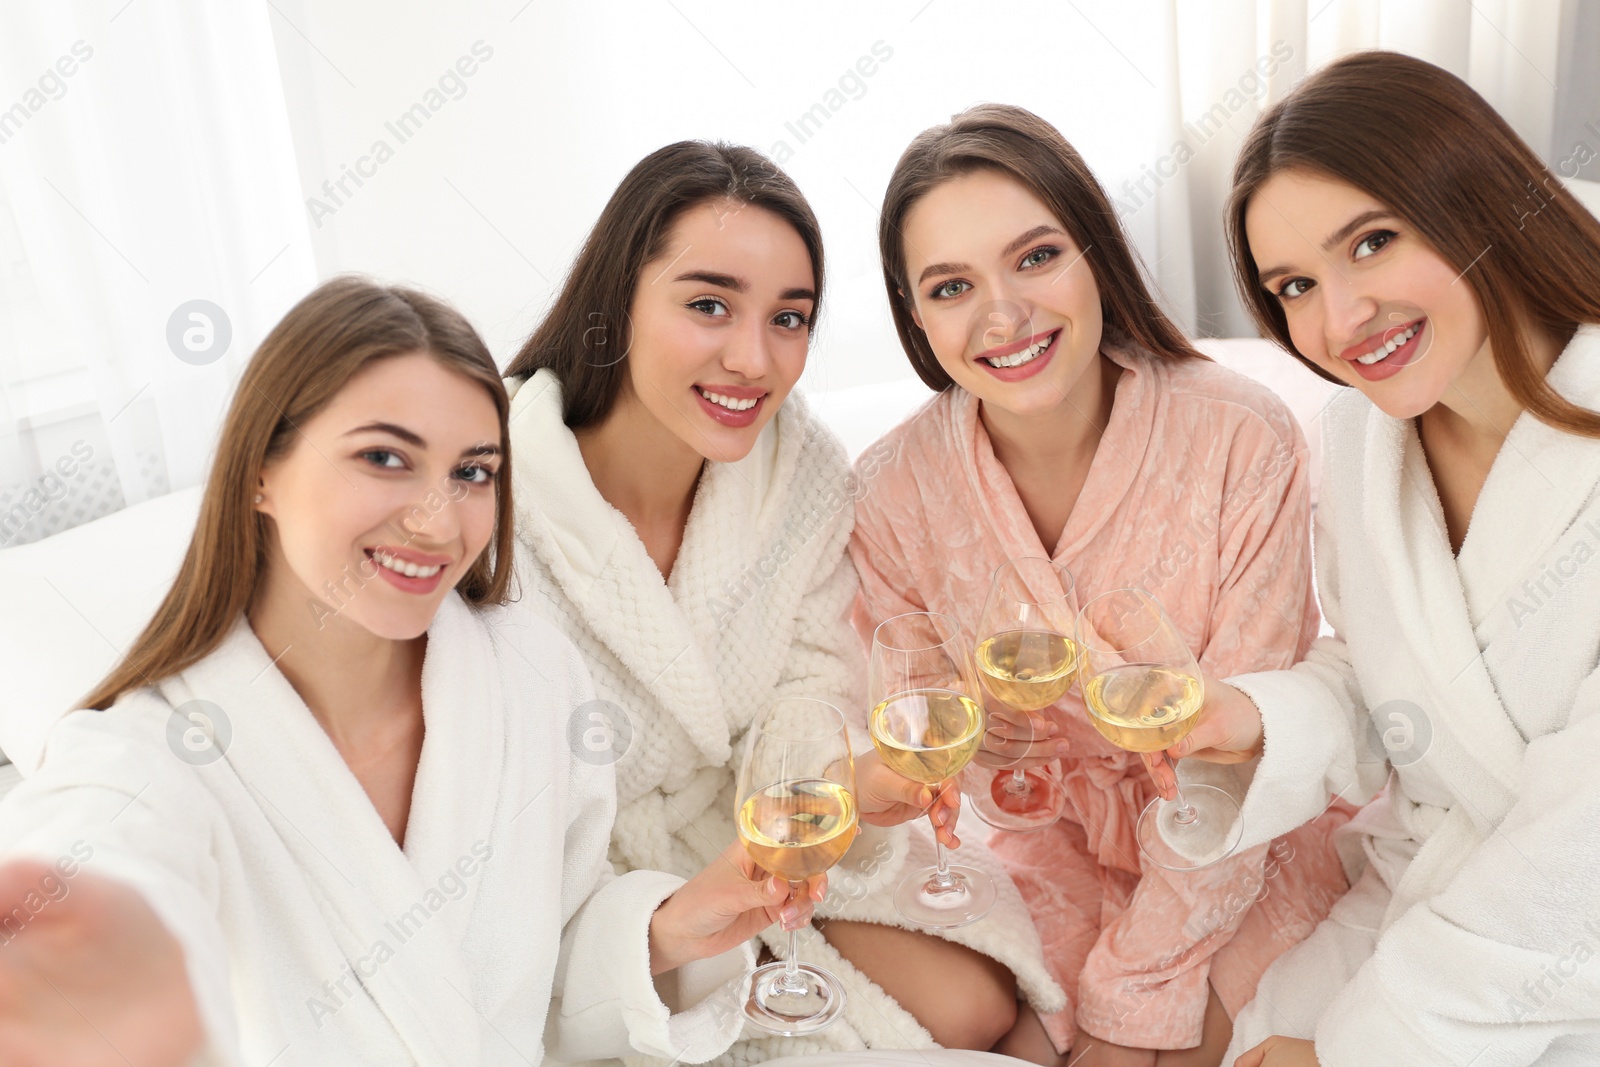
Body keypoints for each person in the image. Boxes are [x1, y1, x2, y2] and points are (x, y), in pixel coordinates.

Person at [0, 276, 813, 1066]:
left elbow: (527, 968)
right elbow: (90, 862)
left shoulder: (528, 676)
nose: (435, 521)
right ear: (261, 471)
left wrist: (664, 930)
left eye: (472, 472)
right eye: (385, 457)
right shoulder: (149, 757)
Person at [500, 140, 1062, 1062]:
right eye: (709, 304)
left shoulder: (797, 469)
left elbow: (808, 682)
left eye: (789, 317)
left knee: (982, 1003)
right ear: (618, 300)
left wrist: (844, 787)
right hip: (602, 898)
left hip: (756, 830)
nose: (753, 360)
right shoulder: (498, 502)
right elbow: (504, 831)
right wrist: (678, 914)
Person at [849, 104, 1355, 1067]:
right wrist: (990, 749)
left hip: (1236, 844)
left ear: (1096, 254)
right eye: (951, 286)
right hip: (1049, 857)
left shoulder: (1242, 439)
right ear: (915, 315)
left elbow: (1243, 757)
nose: (1002, 315)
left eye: (1035, 257)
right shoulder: (890, 490)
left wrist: (1132, 1008)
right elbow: (938, 746)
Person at [1154, 51, 1600, 1066]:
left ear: (1479, 200)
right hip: (1432, 884)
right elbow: (1403, 682)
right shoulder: (1364, 440)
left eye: (1373, 241)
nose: (1337, 319)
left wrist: (1356, 1050)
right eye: (1296, 285)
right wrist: (1257, 718)